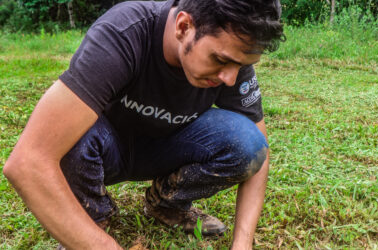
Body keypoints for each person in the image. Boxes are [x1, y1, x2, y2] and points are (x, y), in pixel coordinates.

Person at [3, 0, 284, 249]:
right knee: (66, 133)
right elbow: (28, 162)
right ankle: (94, 217)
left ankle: (165, 204)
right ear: (184, 25)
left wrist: (242, 243)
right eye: (220, 60)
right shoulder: (124, 33)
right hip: (104, 149)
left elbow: (260, 152)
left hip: (166, 148)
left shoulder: (232, 58)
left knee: (248, 143)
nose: (230, 79)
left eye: (242, 65)